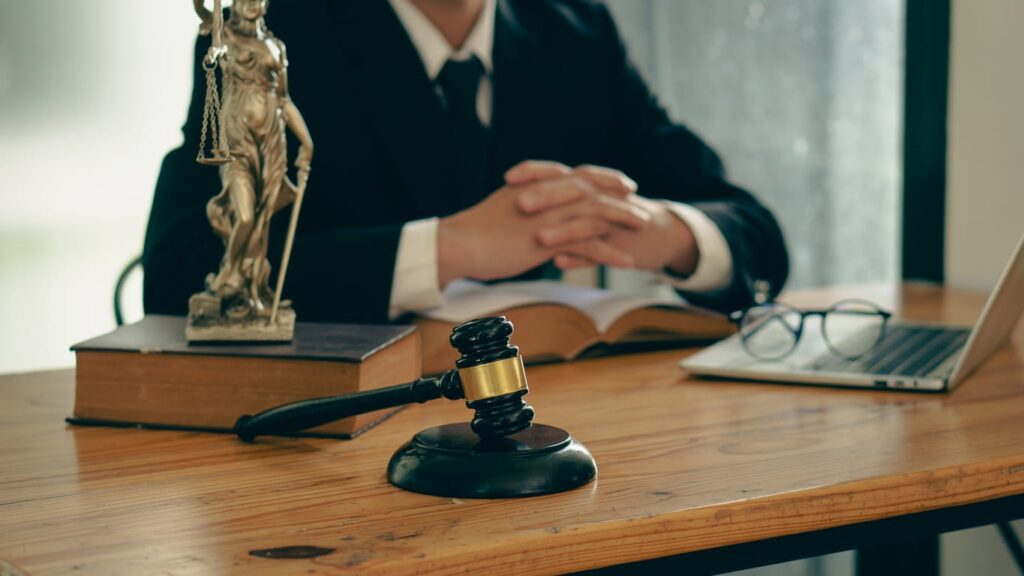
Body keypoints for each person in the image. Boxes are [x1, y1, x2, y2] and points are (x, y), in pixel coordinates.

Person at [143, 0, 789, 324]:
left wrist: (660, 234)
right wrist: (449, 249)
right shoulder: (270, 33)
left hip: (549, 427)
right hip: (329, 439)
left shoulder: (574, 29)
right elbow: (179, 277)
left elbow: (754, 232)